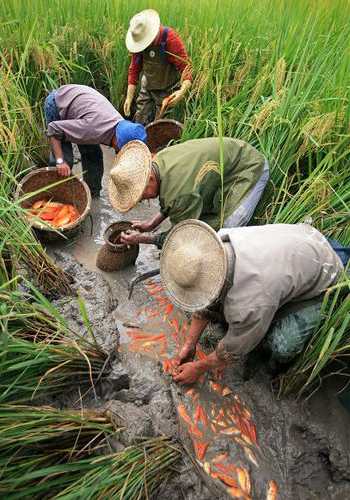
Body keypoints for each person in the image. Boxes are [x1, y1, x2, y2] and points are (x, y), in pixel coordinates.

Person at [159, 220, 346, 385]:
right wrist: (189, 344)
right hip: (297, 245)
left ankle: (274, 370)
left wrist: (198, 368)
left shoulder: (251, 302)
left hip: (326, 272)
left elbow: (232, 350)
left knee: (282, 345)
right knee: (247, 311)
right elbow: (205, 300)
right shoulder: (216, 245)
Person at [108, 138, 269, 247]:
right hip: (230, 162)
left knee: (223, 233)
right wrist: (152, 223)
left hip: (249, 169)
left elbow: (182, 235)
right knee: (202, 219)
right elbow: (172, 199)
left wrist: (143, 239)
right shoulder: (158, 160)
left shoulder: (180, 191)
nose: (142, 200)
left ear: (149, 178)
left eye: (140, 195)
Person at [44, 84, 147, 197]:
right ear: (117, 141)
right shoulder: (92, 129)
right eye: (122, 148)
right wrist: (60, 161)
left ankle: (92, 193)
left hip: (82, 105)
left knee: (93, 155)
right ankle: (55, 195)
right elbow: (53, 129)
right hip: (57, 103)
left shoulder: (122, 126)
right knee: (65, 160)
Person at [123, 9, 192, 125]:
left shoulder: (169, 39)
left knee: (161, 126)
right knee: (140, 118)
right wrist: (129, 98)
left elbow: (186, 68)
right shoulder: (139, 43)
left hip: (167, 89)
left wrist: (181, 91)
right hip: (147, 85)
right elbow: (134, 70)